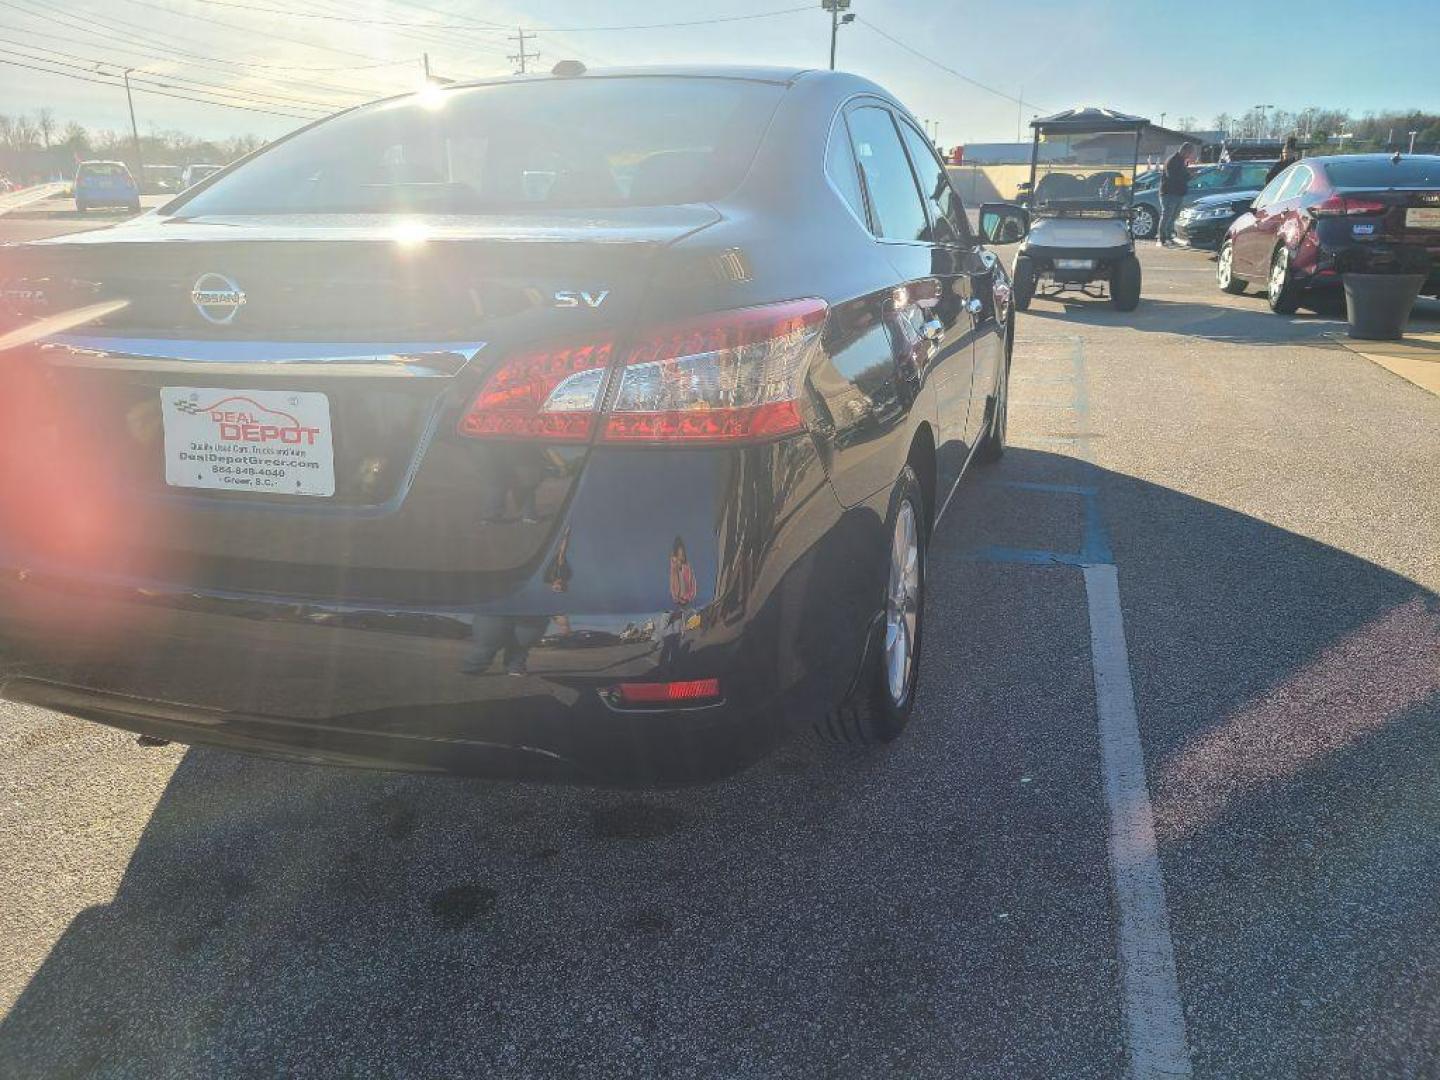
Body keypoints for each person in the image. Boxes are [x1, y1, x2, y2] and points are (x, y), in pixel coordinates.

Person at [1157, 141, 1194, 247]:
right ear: (1184, 150)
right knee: (1167, 215)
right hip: (1169, 193)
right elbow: (1172, 177)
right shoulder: (1172, 160)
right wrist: (1187, 176)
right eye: (1189, 153)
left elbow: (1183, 176)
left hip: (1178, 193)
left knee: (1173, 217)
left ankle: (1169, 236)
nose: (1190, 155)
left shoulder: (1182, 161)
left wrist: (1189, 175)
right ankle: (1161, 238)